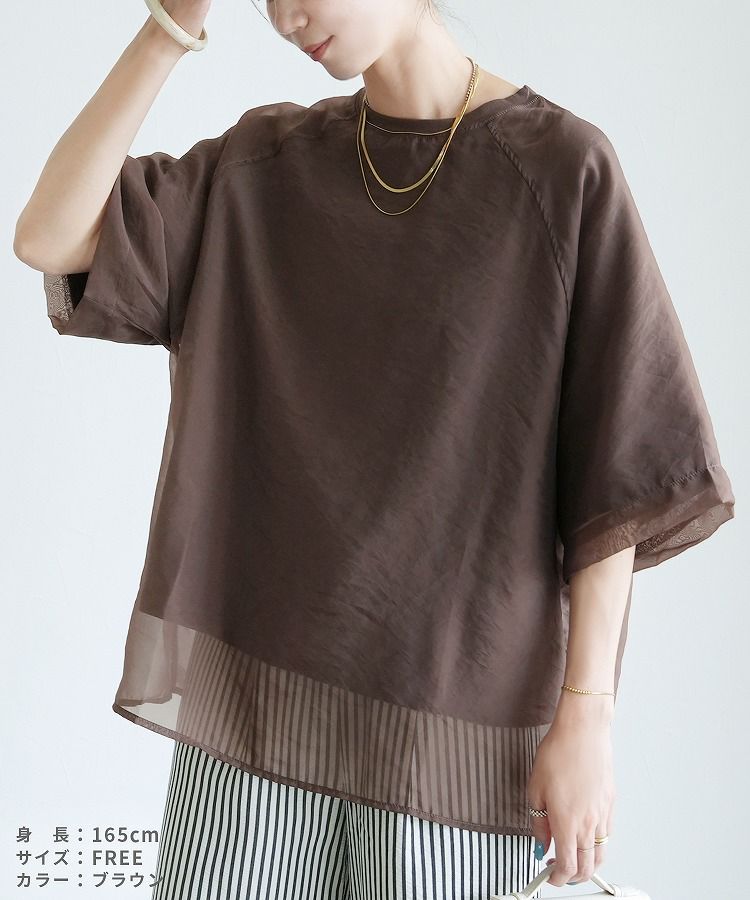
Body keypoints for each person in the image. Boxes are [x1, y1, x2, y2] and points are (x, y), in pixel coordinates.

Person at [14, 1, 735, 898]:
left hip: (452, 739)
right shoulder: (262, 166)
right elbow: (48, 235)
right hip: (255, 725)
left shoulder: (560, 169)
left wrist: (587, 719)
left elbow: (616, 470)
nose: (286, 15)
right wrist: (171, 24)